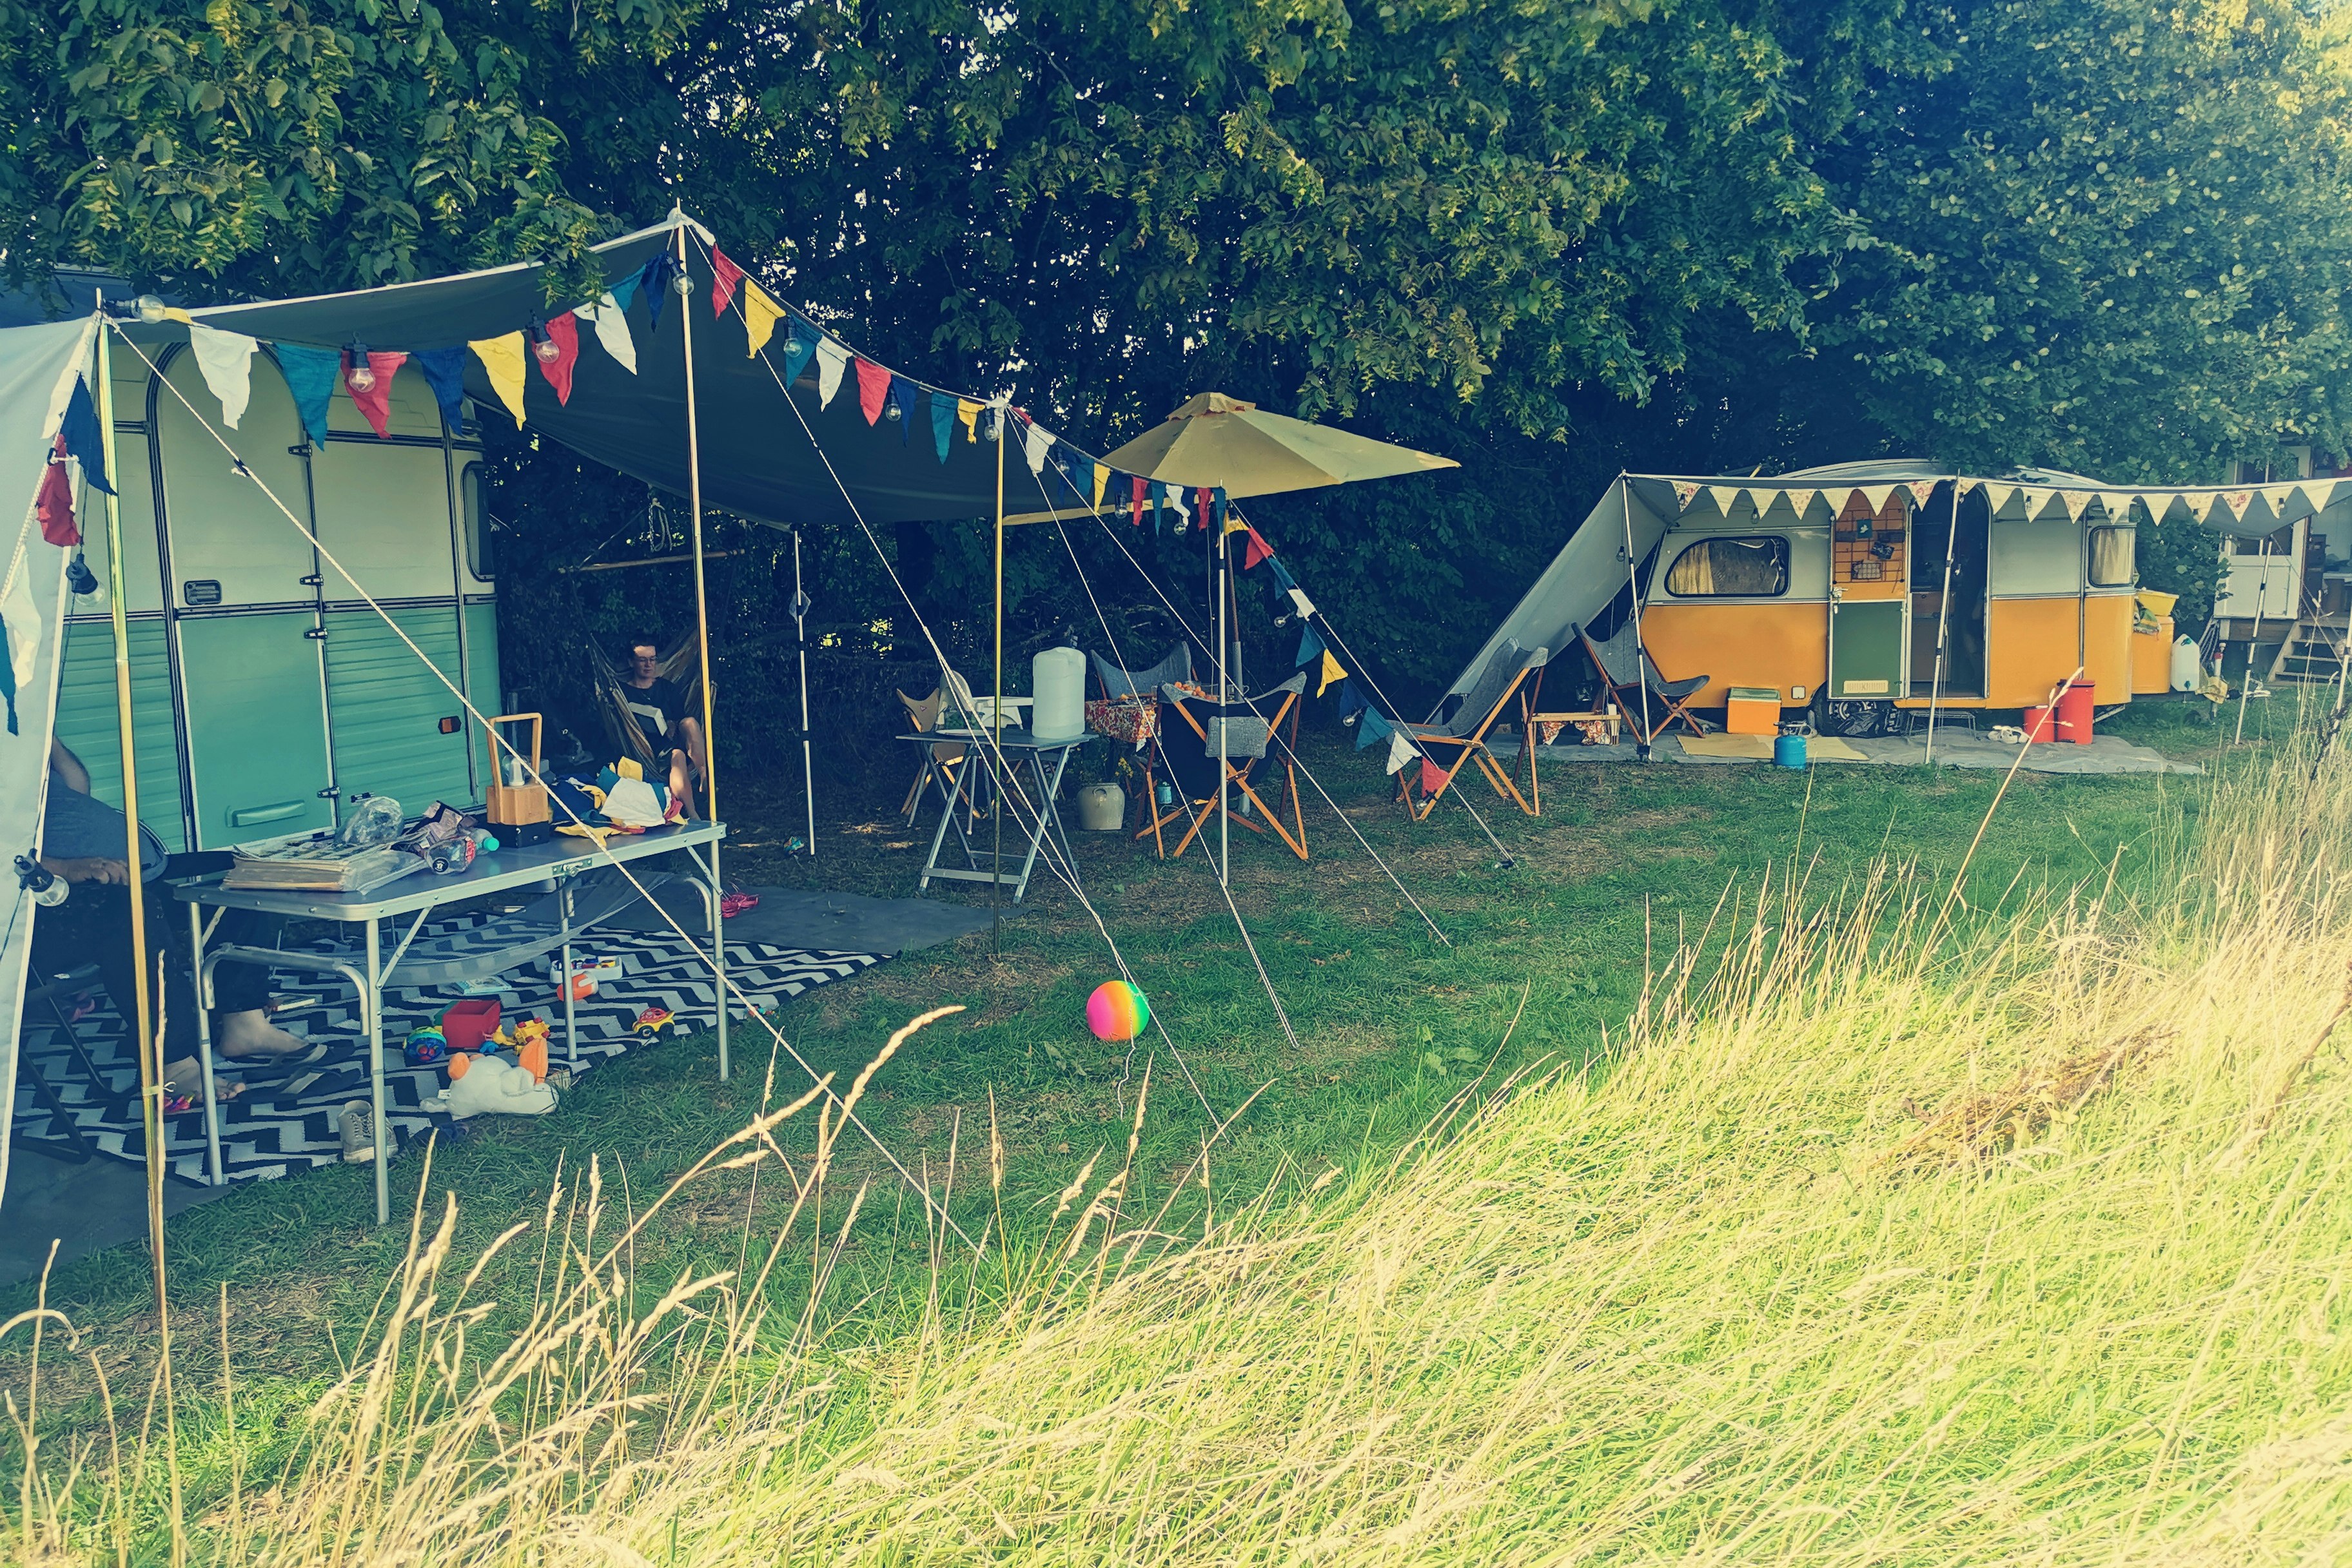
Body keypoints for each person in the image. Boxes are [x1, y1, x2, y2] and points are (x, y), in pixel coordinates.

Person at [31, 740, 303, 1104]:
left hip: (136, 875)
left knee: (241, 870)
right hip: (45, 901)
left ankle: (245, 1023)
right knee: (127, 911)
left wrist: (44, 727)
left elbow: (76, 782)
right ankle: (174, 1063)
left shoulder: (18, 754)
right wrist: (65, 868)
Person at [618, 632, 704, 816]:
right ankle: (691, 813)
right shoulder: (623, 693)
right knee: (678, 757)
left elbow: (681, 715)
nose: (649, 665)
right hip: (649, 750)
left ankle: (704, 772)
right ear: (631, 662)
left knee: (689, 723)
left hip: (679, 740)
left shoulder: (667, 688)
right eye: (642, 660)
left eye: (652, 659)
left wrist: (672, 723)